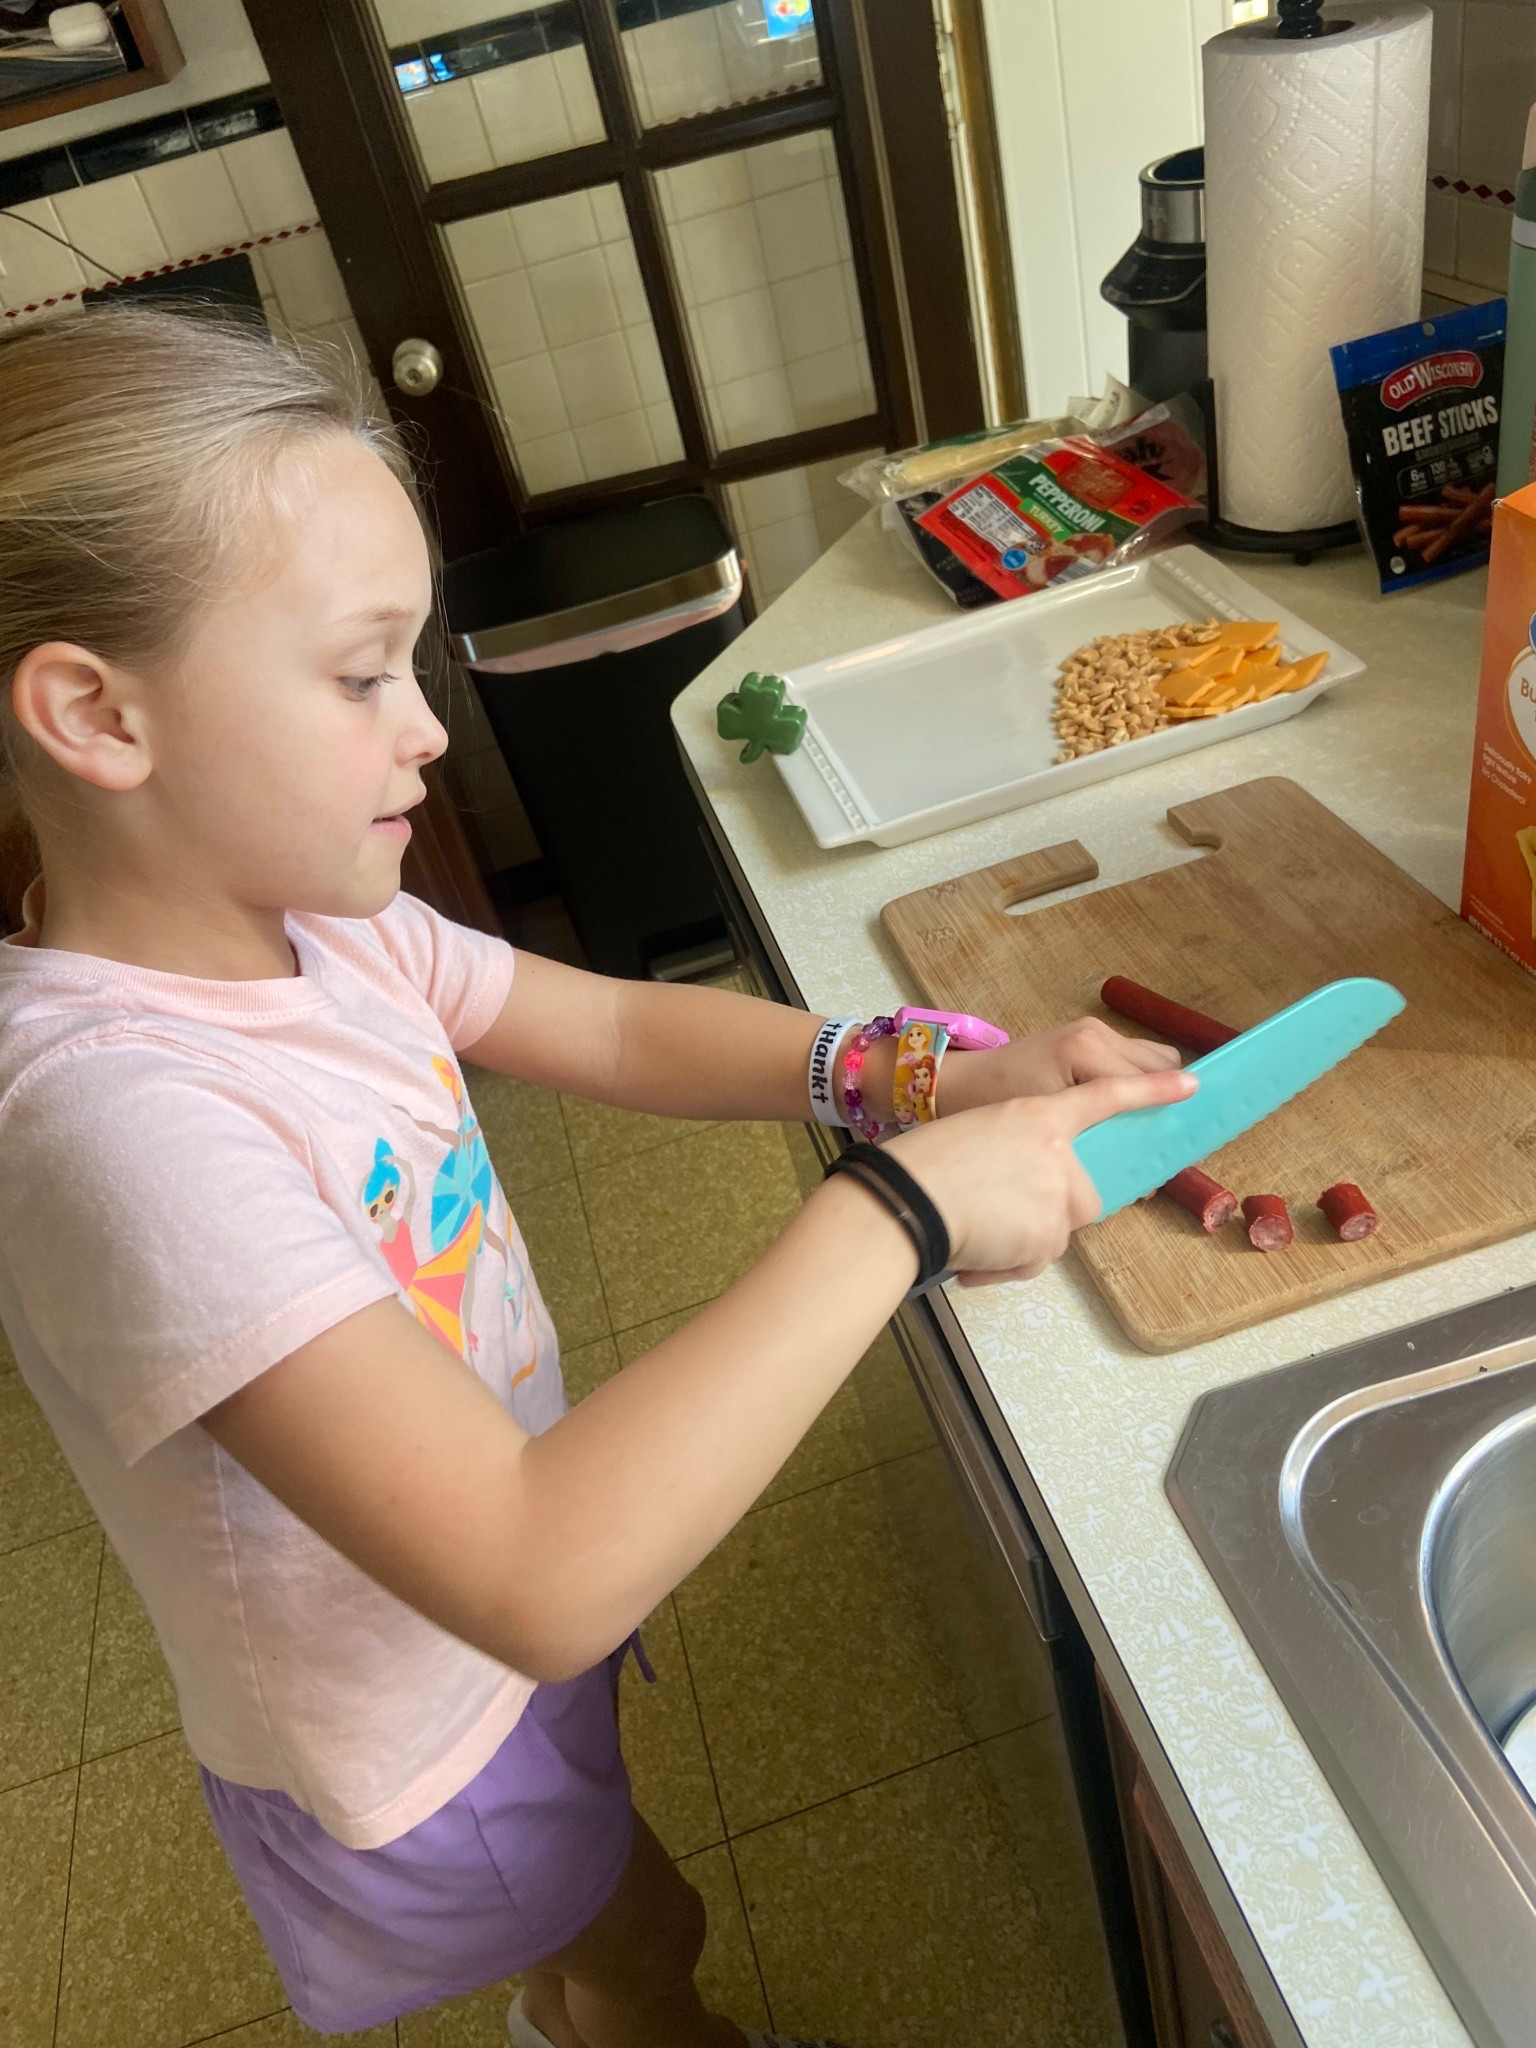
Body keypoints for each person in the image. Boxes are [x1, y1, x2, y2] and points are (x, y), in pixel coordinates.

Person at [0, 304, 1192, 2048]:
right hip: (413, 1731)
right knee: (645, 1939)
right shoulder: (118, 1123)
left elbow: (624, 1037)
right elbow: (538, 1560)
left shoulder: (324, 935)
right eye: (359, 674)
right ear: (98, 714)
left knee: (618, 1923)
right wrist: (909, 1210)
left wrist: (931, 1069)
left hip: (484, 1638)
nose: (426, 728)